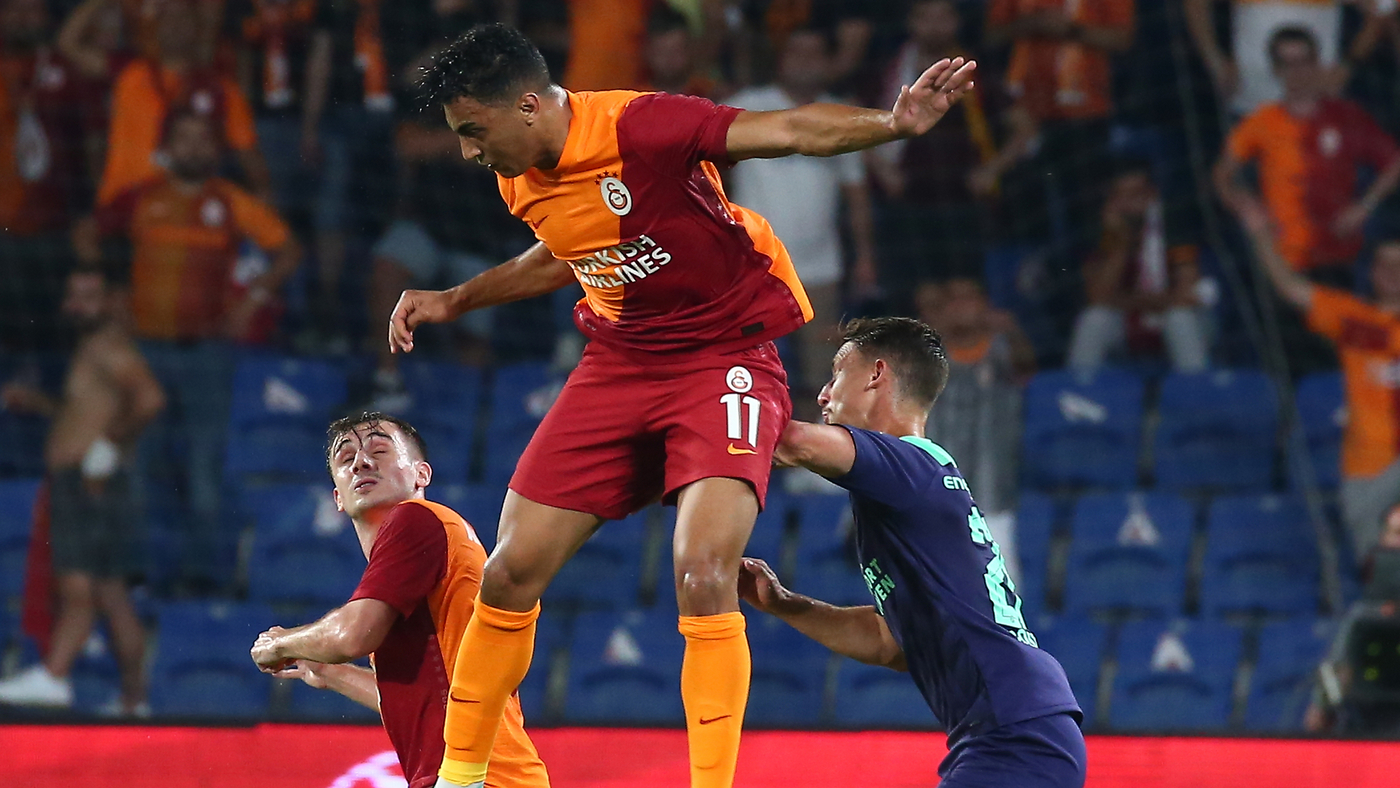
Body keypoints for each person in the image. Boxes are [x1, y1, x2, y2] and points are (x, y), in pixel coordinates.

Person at [389, 23, 977, 788]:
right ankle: (461, 779)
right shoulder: (518, 175)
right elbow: (566, 252)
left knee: (702, 573)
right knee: (507, 574)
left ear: (528, 105)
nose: (469, 152)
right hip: (619, 362)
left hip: (724, 355)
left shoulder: (641, 125)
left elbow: (789, 130)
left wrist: (892, 124)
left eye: (474, 130)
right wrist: (454, 299)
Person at [740, 316, 1085, 788]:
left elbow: (791, 442)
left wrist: (714, 390)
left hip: (1014, 735)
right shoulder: (907, 483)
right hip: (1015, 730)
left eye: (836, 375)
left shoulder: (909, 465)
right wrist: (784, 604)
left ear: (876, 374)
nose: (823, 395)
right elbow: (890, 642)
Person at [250, 412, 549, 788]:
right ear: (338, 497)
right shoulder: (431, 542)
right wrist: (331, 672)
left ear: (421, 475)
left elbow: (351, 636)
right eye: (346, 458)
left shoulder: (415, 520)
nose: (361, 462)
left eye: (379, 451)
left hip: (479, 778)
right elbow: (424, 699)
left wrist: (280, 644)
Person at [77, 110, 300, 593]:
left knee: (204, 467)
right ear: (167, 147)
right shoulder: (141, 197)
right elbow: (87, 233)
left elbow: (288, 250)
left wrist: (252, 302)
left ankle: (201, 580)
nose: (194, 147)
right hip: (145, 353)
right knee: (141, 463)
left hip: (208, 353)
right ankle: (142, 575)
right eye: (184, 138)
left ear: (215, 149)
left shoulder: (229, 200)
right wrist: (110, 295)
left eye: (203, 139)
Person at [0, 267, 165, 716]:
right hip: (91, 482)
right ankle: (134, 702)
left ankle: (54, 677)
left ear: (111, 300)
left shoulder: (107, 347)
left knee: (78, 586)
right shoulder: (94, 348)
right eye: (74, 296)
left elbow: (150, 399)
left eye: (89, 296)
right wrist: (38, 403)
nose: (78, 306)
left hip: (87, 484)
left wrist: (105, 449)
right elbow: (87, 413)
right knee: (112, 594)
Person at [726, 26, 877, 418]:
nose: (805, 62)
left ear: (829, 62)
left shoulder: (842, 117)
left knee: (824, 376)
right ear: (781, 60)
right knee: (743, 370)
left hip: (820, 267)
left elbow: (856, 194)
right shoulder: (747, 107)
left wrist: (864, 257)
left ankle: (817, 452)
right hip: (751, 267)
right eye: (797, 52)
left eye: (814, 54)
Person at [1241, 201, 1400, 571]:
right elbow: (1290, 287)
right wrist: (1261, 234)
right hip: (1366, 469)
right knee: (1376, 574)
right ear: (1371, 271)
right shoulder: (1352, 317)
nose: (1393, 273)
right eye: (1385, 264)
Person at [868, 0, 1036, 298]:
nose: (934, 25)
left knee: (965, 292)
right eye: (925, 17)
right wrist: (883, 170)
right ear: (911, 22)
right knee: (919, 296)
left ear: (957, 21)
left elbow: (1024, 128)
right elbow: (856, 123)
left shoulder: (977, 73)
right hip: (905, 203)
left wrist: (991, 170)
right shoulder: (888, 72)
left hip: (964, 202)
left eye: (943, 16)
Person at [1215, 25, 1400, 287]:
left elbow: (1394, 162)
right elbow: (1222, 174)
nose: (1297, 72)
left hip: (1338, 257)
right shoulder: (1262, 122)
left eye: (1304, 62)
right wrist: (1246, 207)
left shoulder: (1346, 116)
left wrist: (1365, 206)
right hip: (1282, 263)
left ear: (1317, 64)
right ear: (1276, 70)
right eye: (1287, 64)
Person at [0, 0, 107, 354]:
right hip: (3, 228)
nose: (21, 17)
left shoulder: (66, 68)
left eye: (31, 9)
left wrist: (92, 211)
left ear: (46, 16)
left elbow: (92, 141)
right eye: (13, 8)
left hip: (55, 229)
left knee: (53, 332)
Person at [985, 0, 1135, 251]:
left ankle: (1080, 268)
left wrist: (1071, 29)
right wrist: (1032, 24)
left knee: (1083, 214)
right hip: (1023, 112)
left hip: (1085, 114)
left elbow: (1123, 39)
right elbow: (992, 35)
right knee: (1025, 213)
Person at [97, 0, 270, 205]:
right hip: (125, 204)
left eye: (183, 19)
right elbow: (71, 45)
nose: (175, 25)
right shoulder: (128, 74)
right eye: (167, 19)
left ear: (197, 28)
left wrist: (262, 202)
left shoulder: (219, 88)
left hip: (189, 210)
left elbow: (250, 156)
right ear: (156, 27)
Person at [916, 278, 1035, 577]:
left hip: (991, 495)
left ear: (985, 305)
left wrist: (1010, 329)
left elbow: (1026, 366)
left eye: (969, 299)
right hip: (936, 498)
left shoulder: (1003, 347)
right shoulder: (928, 357)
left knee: (1002, 591)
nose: (961, 307)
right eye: (953, 300)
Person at [1067, 161, 1212, 373]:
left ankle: (1197, 390)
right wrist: (1120, 243)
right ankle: (1078, 390)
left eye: (1138, 193)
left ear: (1153, 193)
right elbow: (1097, 298)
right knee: (1093, 320)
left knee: (1180, 319)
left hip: (1181, 318)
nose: (1132, 202)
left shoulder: (1173, 221)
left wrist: (1124, 300)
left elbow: (1185, 296)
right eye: (1122, 196)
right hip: (1130, 320)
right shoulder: (1102, 230)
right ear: (1112, 200)